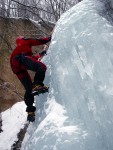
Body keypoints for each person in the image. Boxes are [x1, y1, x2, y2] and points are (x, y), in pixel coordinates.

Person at [10, 36, 51, 122]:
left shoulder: (20, 49)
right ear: (22, 39)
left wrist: (40, 55)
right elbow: (37, 40)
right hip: (20, 59)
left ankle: (30, 112)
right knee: (41, 67)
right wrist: (49, 38)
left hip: (17, 68)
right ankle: (37, 85)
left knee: (29, 88)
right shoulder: (24, 41)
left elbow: (31, 60)